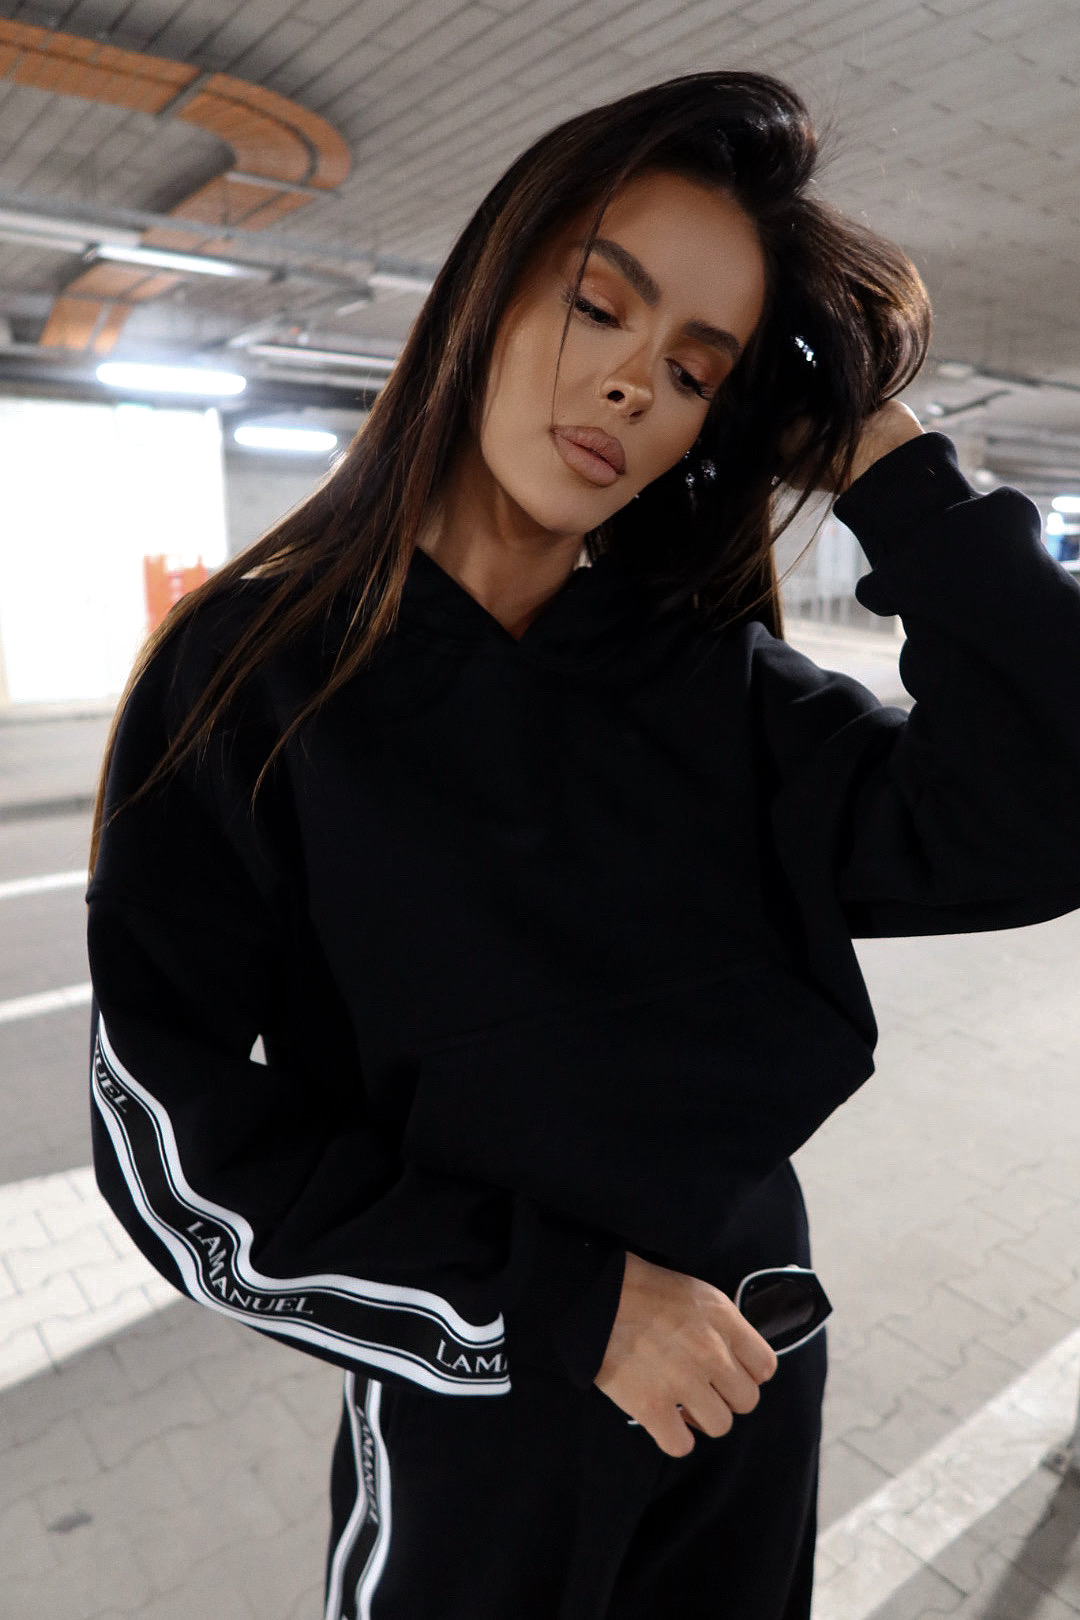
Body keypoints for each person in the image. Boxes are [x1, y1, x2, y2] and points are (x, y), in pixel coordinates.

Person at [84, 70, 1080, 1620]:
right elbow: (171, 1131)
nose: (630, 385)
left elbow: (1042, 807)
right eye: (598, 308)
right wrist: (563, 1308)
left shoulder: (716, 686)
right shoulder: (258, 679)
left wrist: (895, 476)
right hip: (491, 1409)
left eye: (692, 371)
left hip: (748, 1364)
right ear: (485, 295)